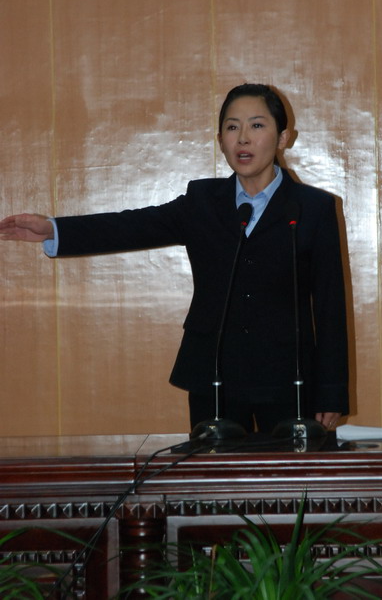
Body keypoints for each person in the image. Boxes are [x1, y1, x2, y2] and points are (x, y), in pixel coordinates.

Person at [0, 83, 349, 434]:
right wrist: (53, 229)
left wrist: (331, 392)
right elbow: (132, 226)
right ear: (220, 140)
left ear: (283, 137)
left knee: (290, 471)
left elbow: (330, 306)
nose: (243, 138)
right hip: (213, 375)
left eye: (257, 125)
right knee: (213, 470)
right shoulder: (203, 201)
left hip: (290, 378)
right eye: (232, 127)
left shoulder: (312, 208)